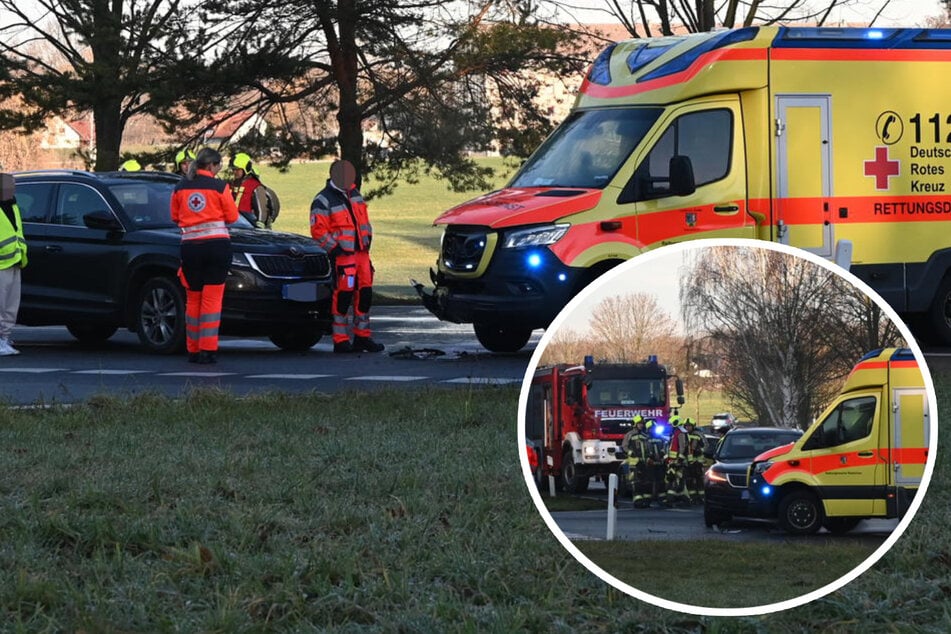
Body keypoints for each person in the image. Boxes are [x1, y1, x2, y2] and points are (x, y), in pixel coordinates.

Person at [170, 148, 239, 364]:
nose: (219, 171)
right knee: (212, 299)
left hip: (190, 248)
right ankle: (208, 349)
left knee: (193, 298)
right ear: (211, 165)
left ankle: (193, 349)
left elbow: (174, 217)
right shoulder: (220, 187)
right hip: (217, 247)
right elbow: (232, 216)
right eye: (218, 166)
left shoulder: (180, 187)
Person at [310, 159, 385, 354]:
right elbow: (318, 231)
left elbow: (364, 222)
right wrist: (334, 249)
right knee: (343, 296)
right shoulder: (323, 199)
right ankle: (340, 339)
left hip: (361, 254)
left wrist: (368, 240)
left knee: (365, 295)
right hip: (343, 256)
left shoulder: (355, 194)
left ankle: (362, 336)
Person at [0, 173, 27, 356]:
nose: (13, 188)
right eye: (10, 185)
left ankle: (4, 338)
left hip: (15, 260)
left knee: (11, 305)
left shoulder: (13, 206)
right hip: (2, 263)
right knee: (1, 304)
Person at [620, 415, 653, 508]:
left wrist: (650, 455)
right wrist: (630, 452)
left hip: (645, 462)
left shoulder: (645, 435)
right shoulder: (630, 435)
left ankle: (646, 501)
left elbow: (648, 446)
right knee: (636, 483)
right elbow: (624, 446)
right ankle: (638, 501)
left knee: (646, 482)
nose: (641, 425)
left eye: (642, 424)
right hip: (634, 463)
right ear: (635, 424)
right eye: (639, 424)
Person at [229, 152, 264, 225]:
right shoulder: (232, 184)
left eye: (237, 169)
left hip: (249, 222)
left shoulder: (255, 186)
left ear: (246, 169)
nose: (234, 172)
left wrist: (260, 222)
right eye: (233, 169)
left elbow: (261, 207)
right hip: (233, 221)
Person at [682, 418, 706, 503]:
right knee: (689, 480)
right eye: (686, 426)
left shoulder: (698, 434)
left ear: (693, 426)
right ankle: (693, 497)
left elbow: (706, 446)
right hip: (687, 462)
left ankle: (702, 497)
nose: (688, 428)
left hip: (697, 461)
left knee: (699, 479)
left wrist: (699, 450)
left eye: (689, 426)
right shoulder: (683, 435)